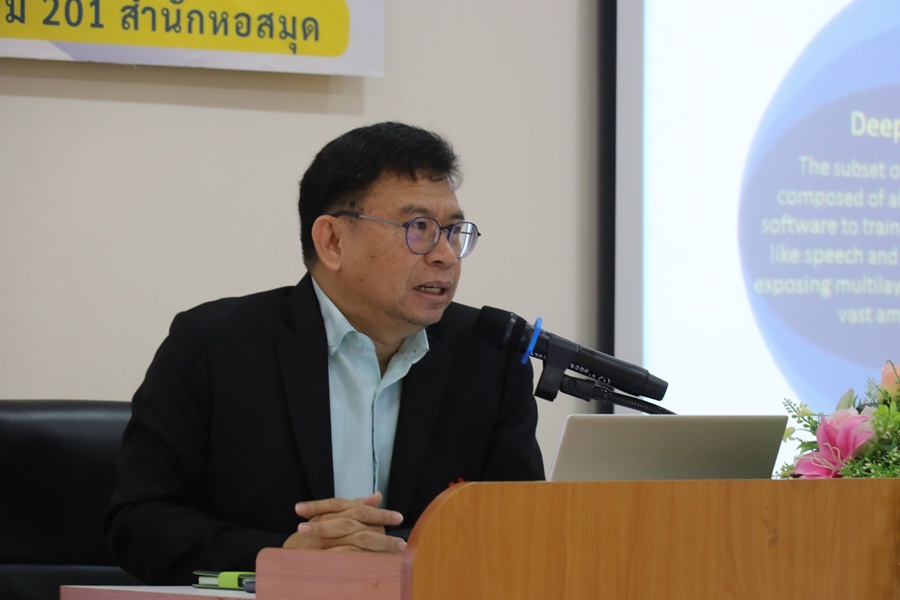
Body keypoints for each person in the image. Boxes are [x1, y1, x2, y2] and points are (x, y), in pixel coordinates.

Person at [104, 121, 545, 585]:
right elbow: (137, 524)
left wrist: (402, 557)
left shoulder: (489, 355)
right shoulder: (213, 347)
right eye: (419, 228)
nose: (446, 256)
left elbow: (521, 527)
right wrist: (282, 554)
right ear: (332, 241)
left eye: (453, 231)